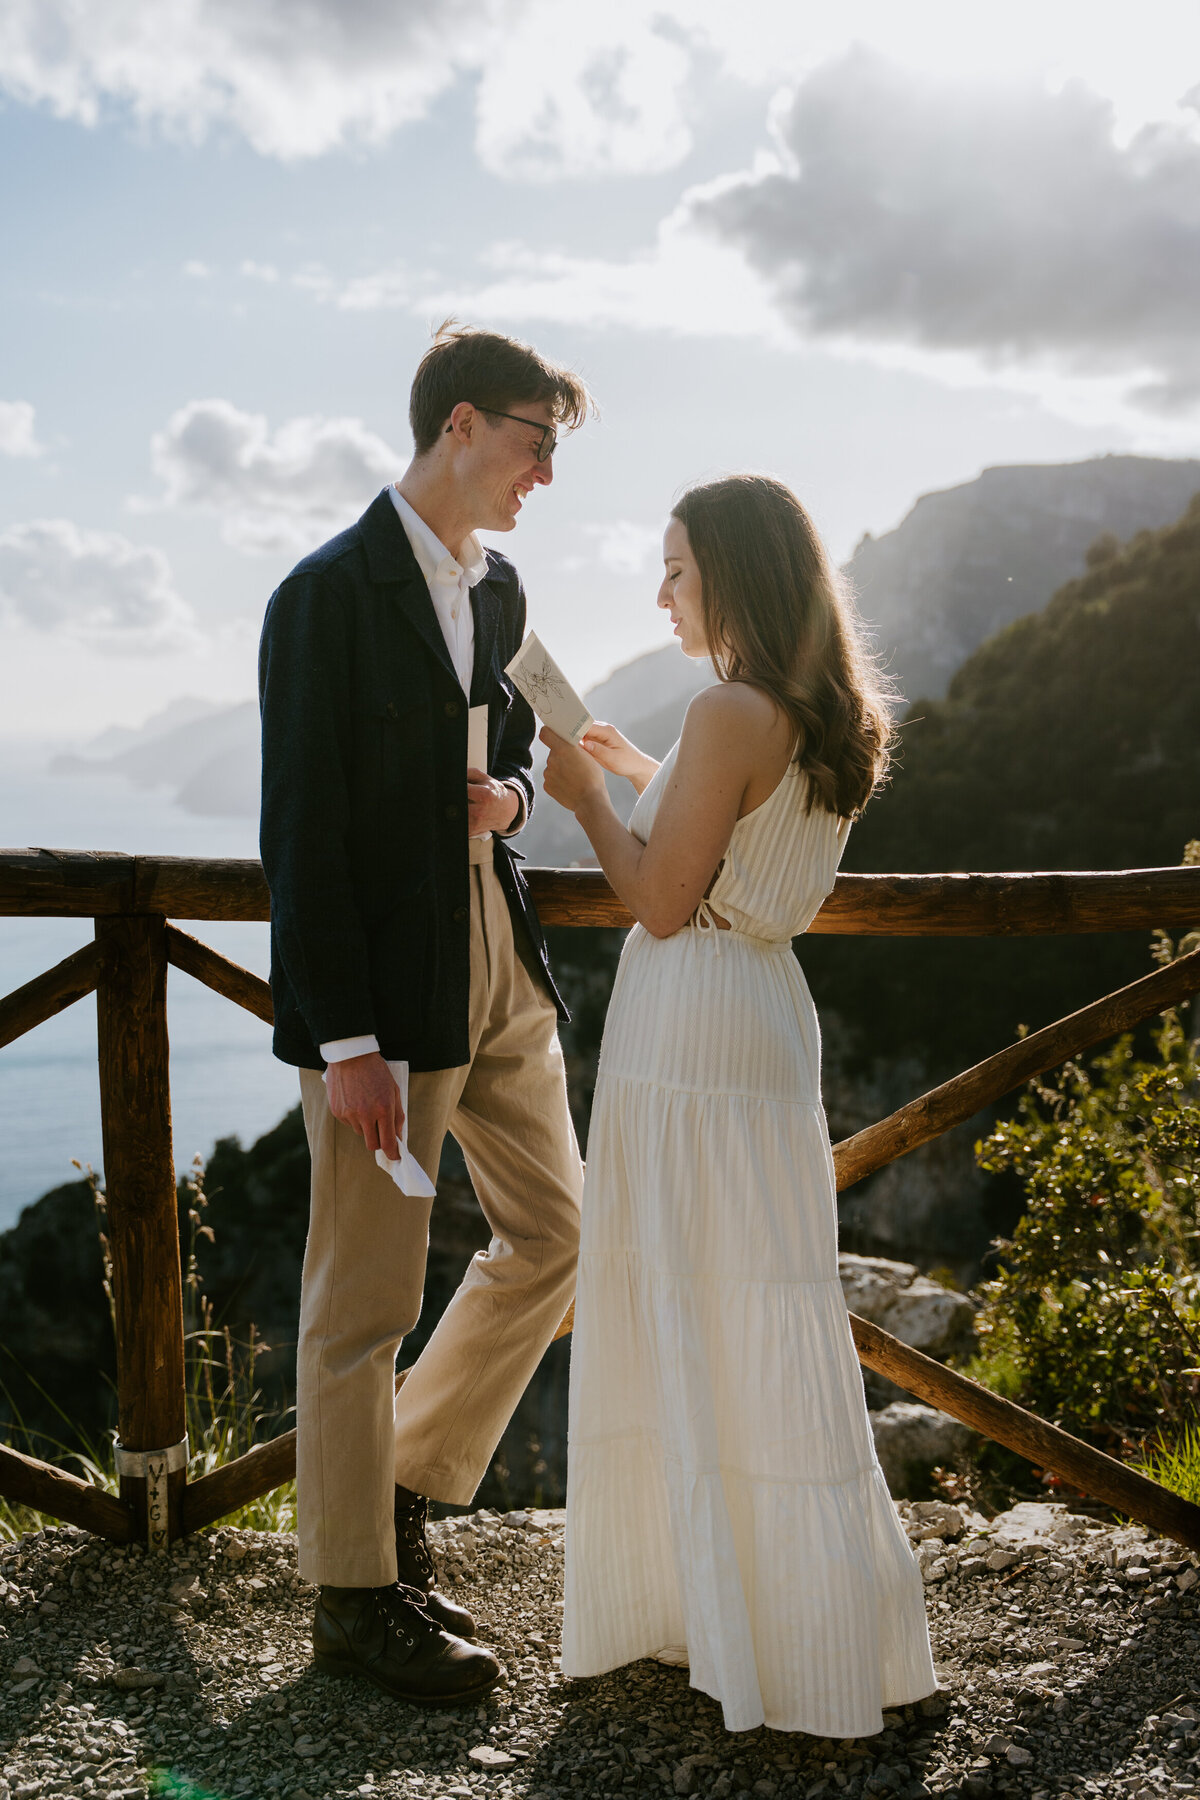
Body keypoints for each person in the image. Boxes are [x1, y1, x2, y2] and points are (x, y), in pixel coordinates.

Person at [541, 474, 936, 1736]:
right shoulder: (819, 712)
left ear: (735, 573)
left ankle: (694, 1609)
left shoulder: (726, 709)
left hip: (689, 1023)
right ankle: (808, 1632)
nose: (660, 593)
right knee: (760, 1300)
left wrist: (586, 800)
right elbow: (742, 838)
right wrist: (638, 767)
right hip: (761, 1015)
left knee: (679, 1295)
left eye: (676, 569)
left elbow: (663, 901)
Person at [258, 322, 591, 1707]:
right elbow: (301, 833)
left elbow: (519, 744)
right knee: (364, 1301)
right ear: (461, 424)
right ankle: (353, 1600)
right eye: (534, 441)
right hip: (388, 987)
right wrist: (345, 1042)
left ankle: (395, 1483)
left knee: (559, 1235)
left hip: (498, 952)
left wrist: (513, 797)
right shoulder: (325, 595)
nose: (544, 474)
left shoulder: (499, 590)